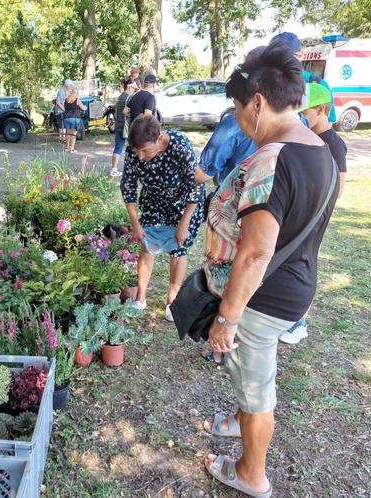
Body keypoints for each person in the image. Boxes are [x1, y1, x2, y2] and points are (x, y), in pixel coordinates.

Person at [201, 42, 338, 497]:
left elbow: (256, 253)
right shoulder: (321, 150)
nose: (239, 119)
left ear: (258, 103)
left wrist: (227, 317)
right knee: (250, 378)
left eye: (239, 109)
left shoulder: (272, 160)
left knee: (257, 391)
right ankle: (240, 423)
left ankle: (251, 475)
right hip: (294, 285)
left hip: (262, 298)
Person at [275, 81, 347, 346]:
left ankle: (299, 322)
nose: (301, 118)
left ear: (322, 110)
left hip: (314, 215)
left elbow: (338, 187)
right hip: (299, 211)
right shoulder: (310, 139)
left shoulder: (333, 144)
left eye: (305, 113)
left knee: (305, 261)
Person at [120, 114, 205, 319]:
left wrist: (184, 224)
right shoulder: (135, 150)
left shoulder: (179, 145)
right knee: (147, 246)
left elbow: (195, 184)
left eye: (145, 151)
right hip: (153, 199)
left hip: (182, 201)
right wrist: (135, 223)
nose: (139, 156)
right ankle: (140, 298)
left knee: (178, 247)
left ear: (160, 139)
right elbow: (129, 186)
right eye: (136, 151)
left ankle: (172, 301)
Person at [110, 79, 138, 177]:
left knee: (118, 148)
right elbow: (129, 112)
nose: (134, 90)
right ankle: (134, 170)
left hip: (118, 125)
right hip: (127, 126)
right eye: (134, 88)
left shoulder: (120, 97)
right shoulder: (129, 98)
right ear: (130, 87)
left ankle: (113, 169)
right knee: (134, 147)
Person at [62, 89, 86, 153]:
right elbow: (83, 108)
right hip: (75, 118)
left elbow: (64, 108)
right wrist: (85, 107)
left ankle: (67, 148)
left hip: (66, 118)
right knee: (73, 134)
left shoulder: (66, 99)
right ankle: (71, 149)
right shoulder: (77, 99)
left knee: (67, 133)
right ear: (76, 93)